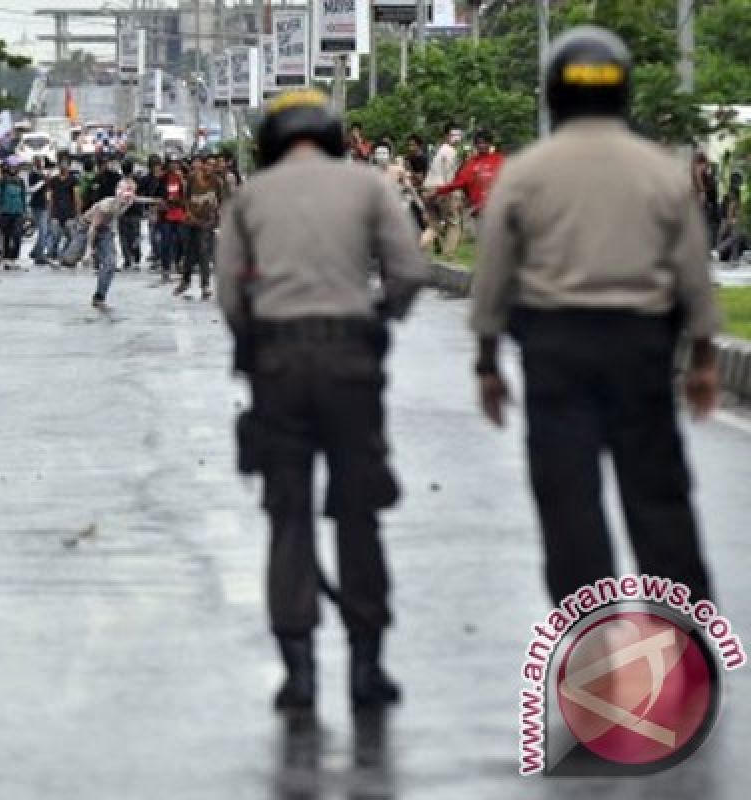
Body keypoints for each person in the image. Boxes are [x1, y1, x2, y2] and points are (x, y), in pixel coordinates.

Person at [471, 26, 717, 610]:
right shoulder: (660, 170)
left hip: (556, 350)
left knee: (569, 502)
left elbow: (494, 274)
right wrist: (704, 358)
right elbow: (693, 273)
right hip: (641, 348)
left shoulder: (527, 174)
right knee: (657, 495)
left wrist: (486, 362)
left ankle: (592, 638)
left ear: (553, 92)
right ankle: (685, 630)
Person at [217, 89, 426, 717]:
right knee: (359, 511)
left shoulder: (252, 196)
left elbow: (229, 291)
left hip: (278, 365)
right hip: (351, 362)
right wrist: (379, 315)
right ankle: (366, 664)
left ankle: (299, 672)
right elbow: (409, 271)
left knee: (289, 516)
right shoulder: (367, 187)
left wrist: (257, 337)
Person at [175, 153, 223, 299]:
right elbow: (185, 198)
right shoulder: (191, 178)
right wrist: (188, 213)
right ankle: (185, 281)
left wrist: (216, 219)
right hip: (191, 220)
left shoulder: (218, 182)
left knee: (204, 252)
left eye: (213, 165)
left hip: (207, 222)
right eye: (207, 164)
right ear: (203, 164)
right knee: (189, 252)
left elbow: (220, 202)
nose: (209, 167)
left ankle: (205, 285)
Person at [82, 183, 135, 310]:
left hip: (105, 231)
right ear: (118, 195)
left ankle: (99, 297)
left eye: (129, 197)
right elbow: (93, 228)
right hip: (86, 227)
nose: (127, 200)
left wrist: (156, 201)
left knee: (110, 264)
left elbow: (140, 199)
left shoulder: (129, 201)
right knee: (69, 260)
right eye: (125, 197)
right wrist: (88, 251)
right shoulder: (106, 205)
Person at [424, 124, 463, 256]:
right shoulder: (452, 152)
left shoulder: (441, 149)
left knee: (433, 225)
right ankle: (448, 255)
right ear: (446, 136)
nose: (457, 138)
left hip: (429, 188)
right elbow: (450, 176)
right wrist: (455, 195)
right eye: (454, 135)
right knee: (454, 222)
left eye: (459, 134)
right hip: (442, 190)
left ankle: (420, 249)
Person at [157, 156, 188, 282]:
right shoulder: (162, 179)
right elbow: (157, 194)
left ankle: (179, 261)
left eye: (176, 163)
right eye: (172, 163)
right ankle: (165, 268)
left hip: (179, 213)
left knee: (181, 239)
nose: (174, 166)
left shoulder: (182, 179)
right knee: (166, 241)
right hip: (166, 215)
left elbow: (186, 194)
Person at [46, 159, 80, 263]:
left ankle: (64, 254)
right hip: (56, 212)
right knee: (55, 235)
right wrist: (49, 212)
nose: (63, 168)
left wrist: (78, 212)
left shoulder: (73, 180)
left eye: (65, 166)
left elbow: (76, 196)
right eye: (61, 166)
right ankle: (53, 255)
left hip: (69, 212)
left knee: (72, 236)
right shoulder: (53, 180)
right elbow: (49, 197)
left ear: (69, 167)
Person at [0, 158, 28, 268]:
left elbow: (24, 197)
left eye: (16, 167)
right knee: (6, 235)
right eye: (12, 167)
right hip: (6, 212)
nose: (13, 169)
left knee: (17, 235)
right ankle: (6, 257)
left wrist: (25, 212)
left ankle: (14, 257)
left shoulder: (21, 181)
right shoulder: (2, 181)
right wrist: (0, 209)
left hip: (18, 212)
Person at [117, 160, 142, 270]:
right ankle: (135, 256)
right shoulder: (137, 181)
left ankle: (127, 259)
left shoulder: (119, 182)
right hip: (135, 213)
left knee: (124, 237)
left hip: (122, 212)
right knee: (135, 235)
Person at [717, 172, 745, 263]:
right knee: (737, 234)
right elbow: (731, 209)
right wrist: (732, 221)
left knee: (737, 233)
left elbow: (735, 210)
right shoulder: (733, 192)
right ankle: (721, 248)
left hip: (727, 221)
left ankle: (734, 257)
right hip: (727, 222)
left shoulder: (732, 193)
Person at [28, 157, 52, 264]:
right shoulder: (33, 174)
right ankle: (40, 255)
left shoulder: (43, 174)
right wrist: (43, 181)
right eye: (38, 161)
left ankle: (35, 251)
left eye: (41, 161)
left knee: (44, 230)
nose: (40, 163)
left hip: (44, 205)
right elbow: (32, 189)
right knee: (43, 230)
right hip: (37, 205)